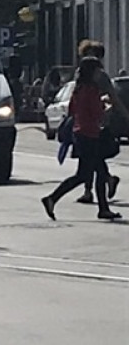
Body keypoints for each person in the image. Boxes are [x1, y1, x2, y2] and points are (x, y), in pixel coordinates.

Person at [42, 57, 122, 222]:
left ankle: (104, 209)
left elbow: (72, 110)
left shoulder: (78, 89)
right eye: (97, 70)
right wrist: (106, 108)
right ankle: (52, 198)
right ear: (91, 72)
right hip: (90, 134)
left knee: (99, 171)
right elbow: (98, 114)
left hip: (81, 133)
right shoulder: (91, 90)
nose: (99, 74)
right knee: (83, 175)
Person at [73, 41, 127, 204]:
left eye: (94, 54)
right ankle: (95, 188)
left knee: (92, 157)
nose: (90, 58)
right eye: (87, 54)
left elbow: (113, 96)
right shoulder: (81, 73)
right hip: (84, 121)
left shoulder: (100, 75)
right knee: (89, 158)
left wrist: (123, 114)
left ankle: (96, 190)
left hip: (99, 121)